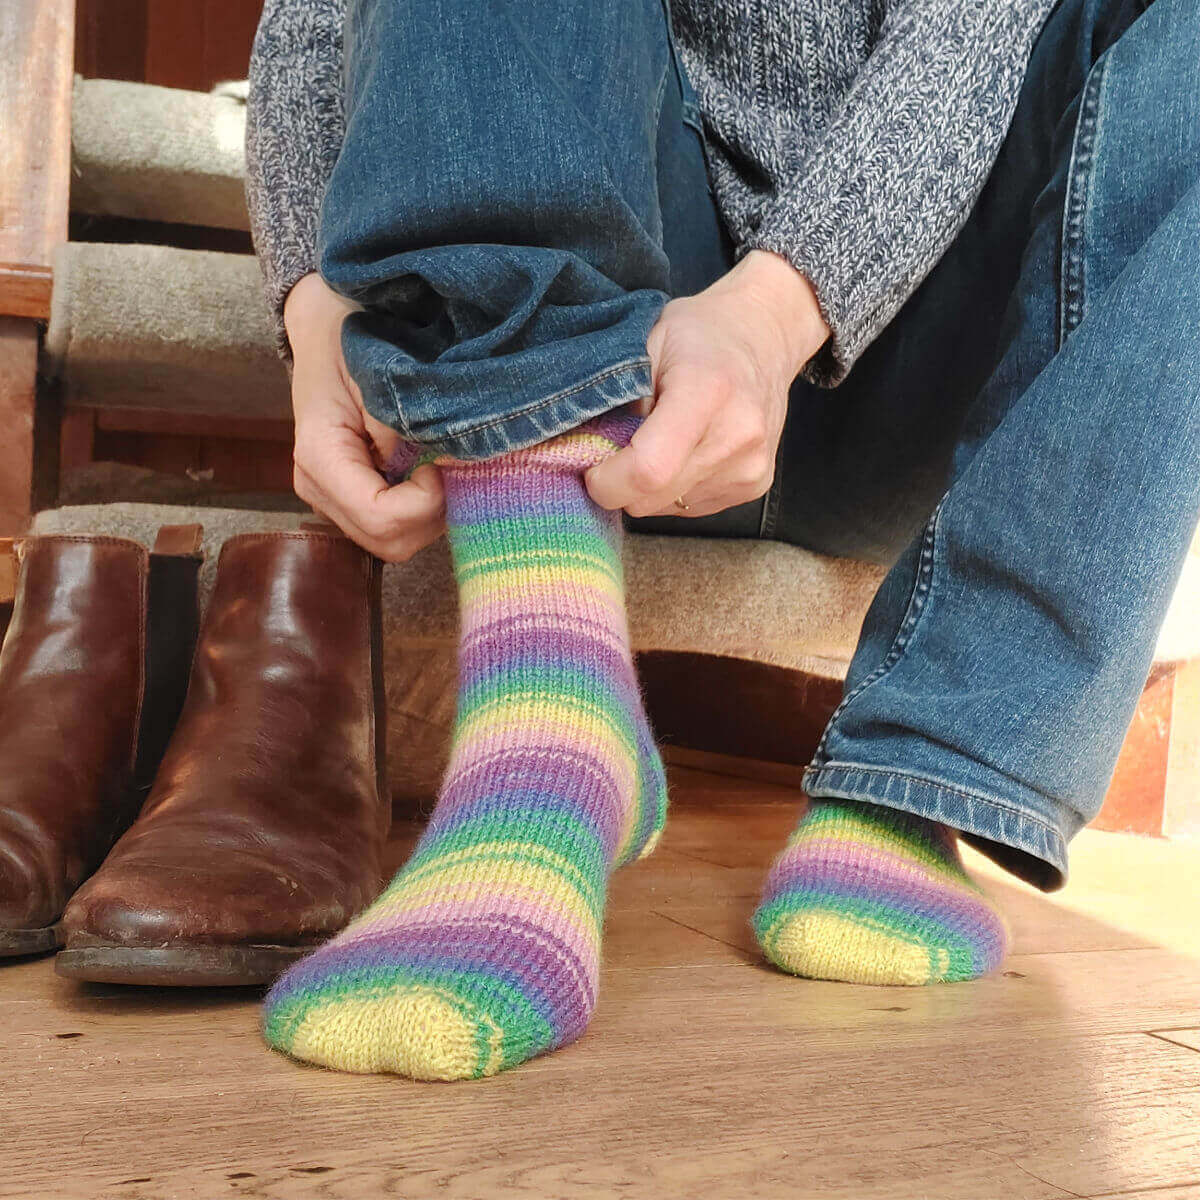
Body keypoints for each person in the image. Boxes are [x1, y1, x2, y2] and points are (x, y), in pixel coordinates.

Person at [245, 0, 1200, 1080]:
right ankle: (550, 707)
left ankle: (929, 770)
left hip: (912, 332)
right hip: (610, 315)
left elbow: (969, 33)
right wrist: (313, 307)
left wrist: (777, 314)